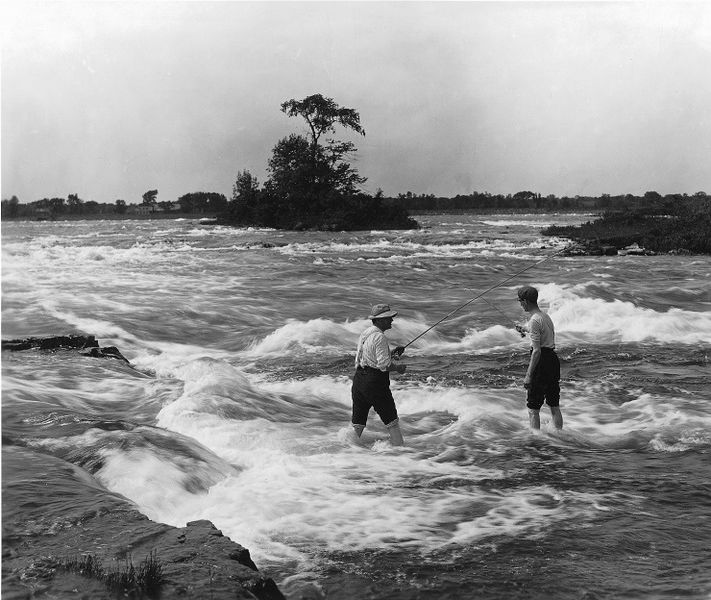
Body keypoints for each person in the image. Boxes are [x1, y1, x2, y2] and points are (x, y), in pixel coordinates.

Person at [351, 303, 407, 446]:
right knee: (392, 422)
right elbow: (385, 365)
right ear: (381, 320)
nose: (392, 320)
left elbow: (368, 356)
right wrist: (399, 368)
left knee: (358, 423)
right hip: (375, 384)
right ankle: (401, 453)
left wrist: (391, 352)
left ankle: (347, 449)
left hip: (358, 382)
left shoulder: (365, 333)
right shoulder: (380, 337)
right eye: (389, 318)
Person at [517, 285, 563, 430]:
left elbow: (536, 351)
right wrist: (524, 329)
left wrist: (528, 376)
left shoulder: (534, 320)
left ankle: (535, 441)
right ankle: (560, 436)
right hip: (553, 361)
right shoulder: (545, 316)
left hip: (541, 362)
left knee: (533, 408)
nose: (520, 304)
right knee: (554, 404)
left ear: (525, 301)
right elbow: (540, 332)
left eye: (520, 301)